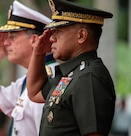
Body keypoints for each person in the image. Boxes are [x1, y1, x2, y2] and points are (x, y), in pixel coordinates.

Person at [26, 0, 116, 135]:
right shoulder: (71, 74)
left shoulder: (88, 76)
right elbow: (34, 93)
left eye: (58, 31)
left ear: (81, 36)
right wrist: (38, 53)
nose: (51, 38)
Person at [0, 1, 59, 136]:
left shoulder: (51, 80)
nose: (6, 42)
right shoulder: (25, 82)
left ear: (34, 40)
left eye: (13, 36)